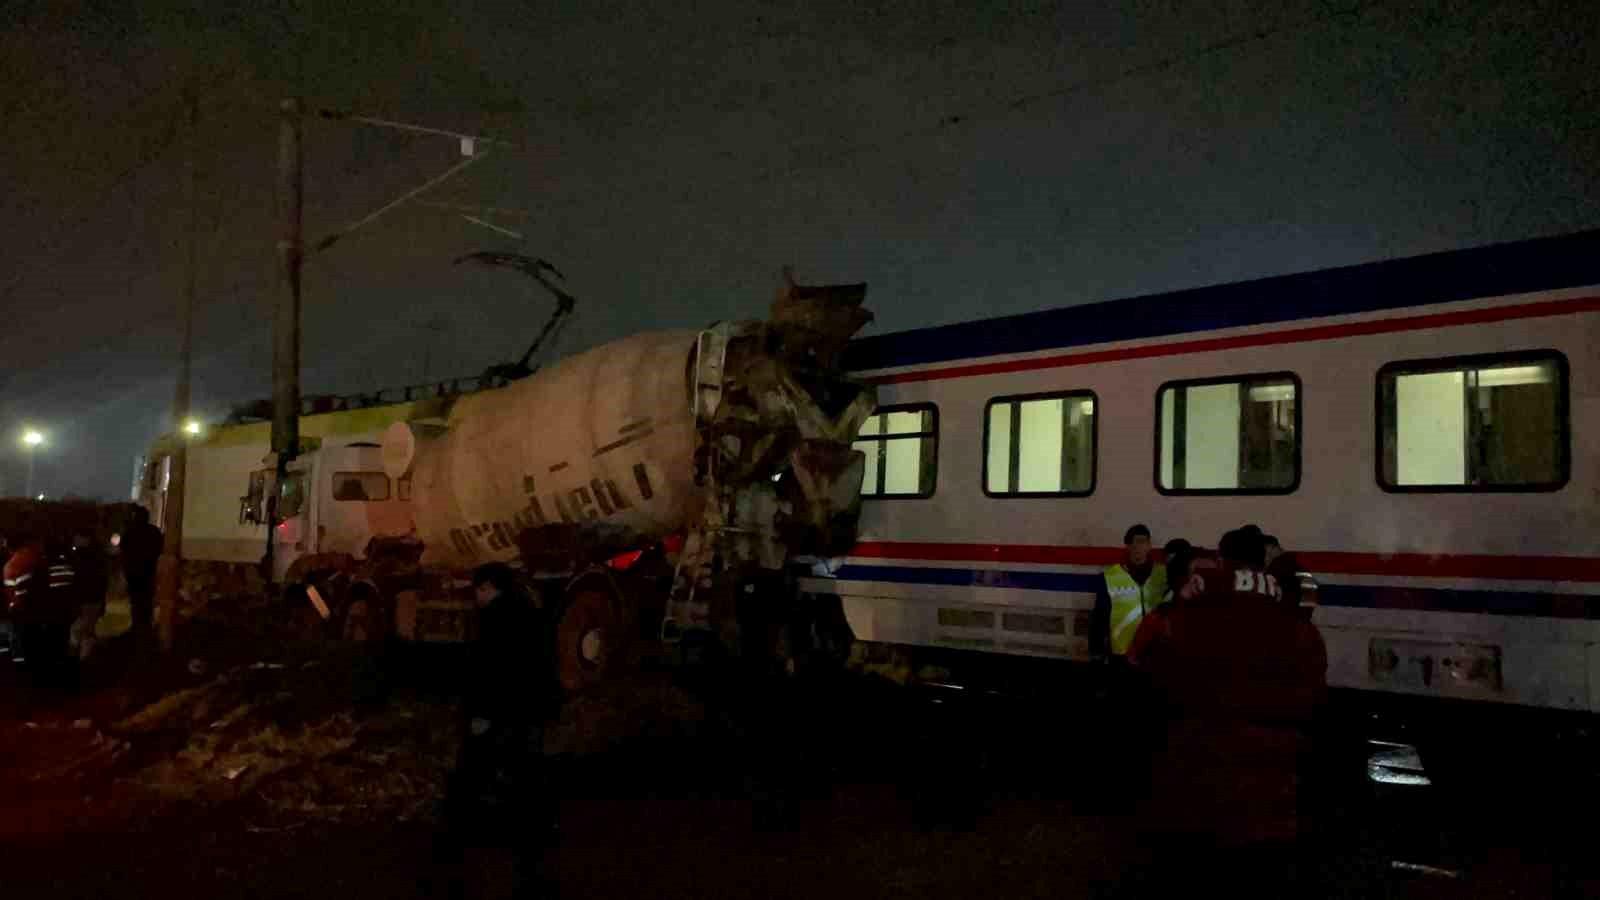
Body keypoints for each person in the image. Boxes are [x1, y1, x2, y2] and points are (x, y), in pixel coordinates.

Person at [1130, 527, 1328, 894]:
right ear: (1264, 559)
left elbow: (1154, 672)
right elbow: (1314, 700)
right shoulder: (1299, 627)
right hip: (1276, 804)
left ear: (1224, 559)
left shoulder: (1192, 615)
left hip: (1204, 794)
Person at [434, 562, 559, 897]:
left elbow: (490, 669)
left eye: (478, 590)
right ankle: (534, 825)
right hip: (529, 707)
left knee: (476, 766)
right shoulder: (530, 613)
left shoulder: (495, 620)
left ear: (488, 587)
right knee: (525, 764)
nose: (475, 597)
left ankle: (460, 830)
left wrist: (481, 712)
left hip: (500, 710)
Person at [1091, 524, 1168, 661]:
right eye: (1131, 542)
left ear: (1149, 545)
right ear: (1126, 546)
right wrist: (1096, 650)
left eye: (1141, 542)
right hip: (1122, 651)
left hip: (1155, 648)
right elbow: (1099, 616)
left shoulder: (1163, 574)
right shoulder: (1110, 577)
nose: (1137, 546)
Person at [119, 506, 163, 645]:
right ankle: (145, 630)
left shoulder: (130, 533)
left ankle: (138, 629)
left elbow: (123, 553)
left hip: (135, 574)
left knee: (137, 603)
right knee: (146, 602)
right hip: (148, 573)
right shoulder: (154, 532)